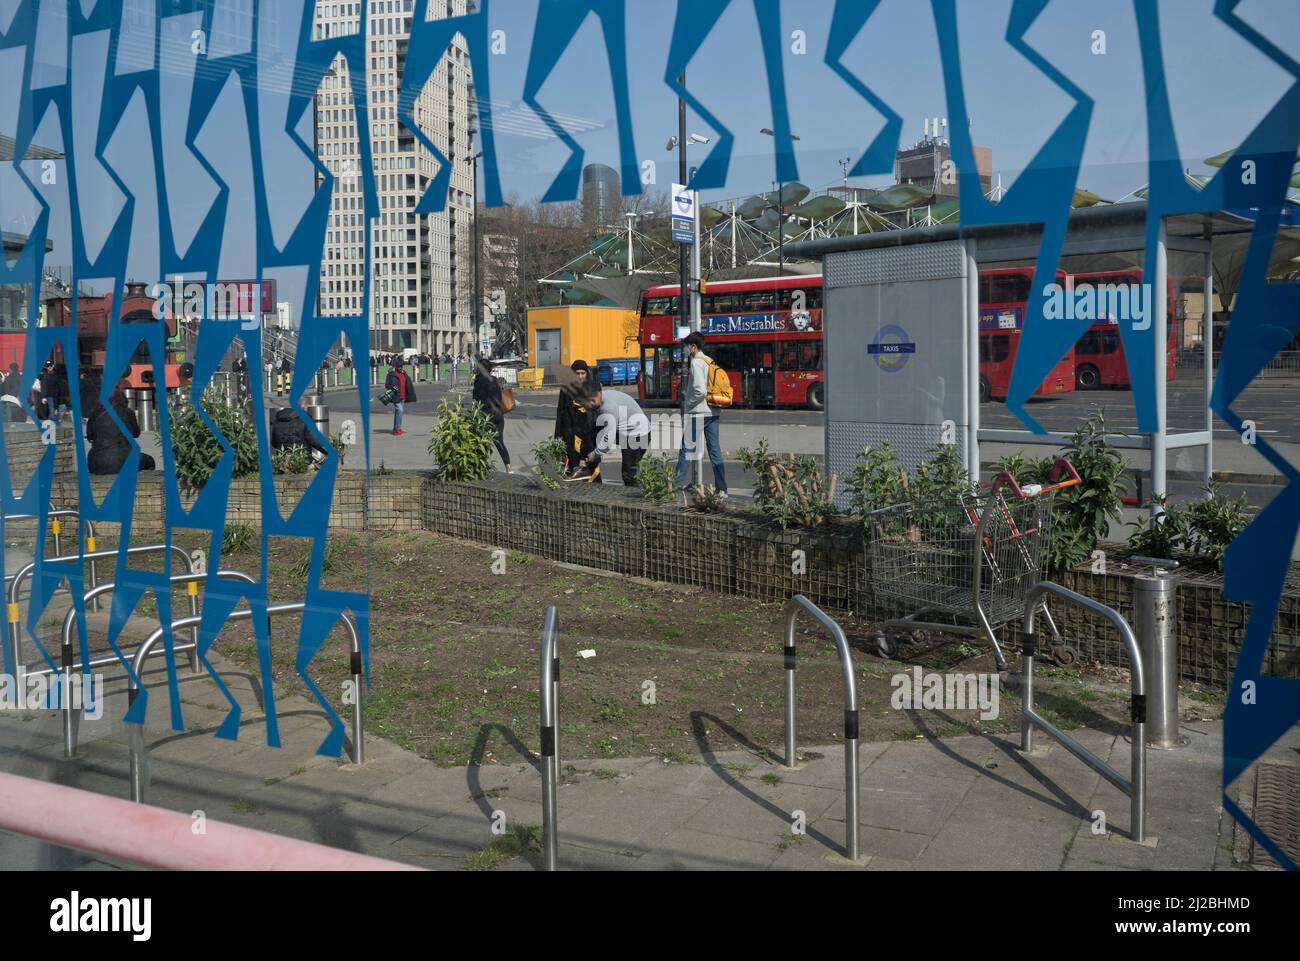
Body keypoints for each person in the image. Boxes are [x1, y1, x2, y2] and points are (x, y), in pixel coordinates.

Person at [675, 331, 728, 494]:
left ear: (693, 346)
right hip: (713, 411)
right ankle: (722, 489)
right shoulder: (709, 361)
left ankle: (675, 487)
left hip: (698, 413)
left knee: (686, 449)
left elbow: (699, 390)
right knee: (715, 450)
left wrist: (688, 405)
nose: (685, 350)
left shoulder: (697, 362)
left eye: (686, 347)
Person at [86, 370, 155, 473]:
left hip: (96, 463)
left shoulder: (95, 413)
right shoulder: (128, 412)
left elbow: (90, 436)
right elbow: (136, 433)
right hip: (123, 460)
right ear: (123, 399)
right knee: (149, 461)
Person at [587, 386, 652, 487]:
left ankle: (634, 498)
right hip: (624, 430)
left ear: (600, 393)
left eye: (593, 400)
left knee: (628, 473)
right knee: (592, 430)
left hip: (638, 435)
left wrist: (596, 454)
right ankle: (593, 472)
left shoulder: (609, 408)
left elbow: (608, 439)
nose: (590, 404)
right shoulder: (602, 399)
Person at [553, 360, 600, 482]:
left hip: (588, 434)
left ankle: (598, 492)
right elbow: (560, 412)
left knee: (592, 466)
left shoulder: (593, 386)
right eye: (577, 373)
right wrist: (557, 437)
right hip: (570, 434)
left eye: (582, 373)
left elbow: (597, 411)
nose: (580, 376)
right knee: (572, 468)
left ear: (587, 373)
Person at [471, 357, 512, 473]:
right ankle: (508, 467)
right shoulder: (495, 380)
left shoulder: (479, 380)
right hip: (498, 414)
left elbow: (476, 399)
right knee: (499, 441)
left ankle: (479, 467)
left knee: (478, 440)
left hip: (485, 414)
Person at [385, 358, 417, 436]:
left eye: (401, 366)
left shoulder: (404, 374)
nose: (400, 368)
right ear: (396, 367)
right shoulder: (391, 375)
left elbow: (408, 384)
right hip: (396, 396)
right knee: (400, 410)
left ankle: (397, 428)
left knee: (398, 412)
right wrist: (392, 388)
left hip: (403, 396)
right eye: (399, 367)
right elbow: (387, 385)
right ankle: (397, 429)